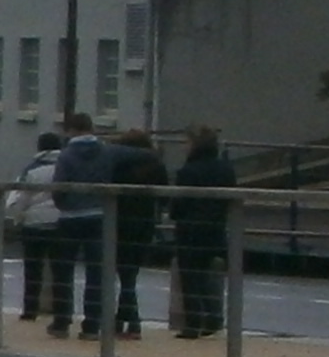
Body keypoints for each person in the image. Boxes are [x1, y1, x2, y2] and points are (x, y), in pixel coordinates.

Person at [49, 125, 118, 337]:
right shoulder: (106, 152)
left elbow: (59, 185)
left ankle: (62, 321)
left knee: (63, 270)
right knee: (96, 273)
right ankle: (92, 325)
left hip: (70, 217)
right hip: (98, 215)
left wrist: (63, 204)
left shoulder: (66, 155)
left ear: (73, 131)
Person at [171, 122, 238, 337]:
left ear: (194, 144)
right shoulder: (226, 169)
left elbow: (179, 205)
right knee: (210, 276)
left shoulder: (188, 171)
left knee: (190, 277)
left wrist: (174, 214)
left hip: (190, 230)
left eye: (186, 142)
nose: (183, 146)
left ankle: (192, 323)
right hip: (216, 227)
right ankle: (214, 318)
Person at [103, 124, 168, 338]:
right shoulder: (155, 164)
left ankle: (128, 320)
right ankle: (127, 320)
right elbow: (165, 196)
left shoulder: (117, 164)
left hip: (119, 219)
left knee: (123, 271)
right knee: (131, 272)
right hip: (145, 220)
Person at [12, 127, 71, 330]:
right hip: (60, 222)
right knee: (61, 271)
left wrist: (17, 219)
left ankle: (30, 309)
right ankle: (62, 311)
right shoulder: (67, 167)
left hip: (34, 223)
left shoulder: (32, 169)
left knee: (33, 270)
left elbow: (22, 199)